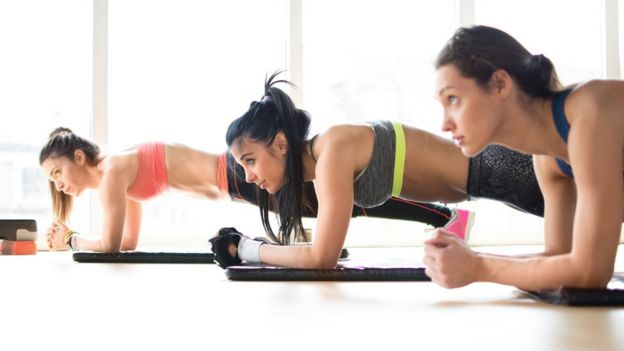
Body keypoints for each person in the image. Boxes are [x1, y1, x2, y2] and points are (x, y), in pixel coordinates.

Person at [209, 72, 544, 269]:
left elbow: (323, 257)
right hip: (498, 183)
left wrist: (248, 249)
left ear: (281, 144)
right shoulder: (327, 160)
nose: (249, 176)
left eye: (250, 160)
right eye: (242, 167)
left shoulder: (333, 151)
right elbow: (325, 251)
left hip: (505, 168)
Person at [40, 127, 540, 252]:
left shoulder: (112, 173)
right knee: (339, 201)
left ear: (78, 157)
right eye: (53, 181)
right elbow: (126, 244)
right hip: (238, 184)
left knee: (339, 199)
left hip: (236, 176)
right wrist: (84, 241)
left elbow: (106, 247)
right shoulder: (117, 181)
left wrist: (69, 242)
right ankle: (443, 217)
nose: (60, 183)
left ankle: (443, 216)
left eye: (58, 171)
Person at [426, 25, 624, 291]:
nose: (445, 124)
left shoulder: (590, 111)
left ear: (500, 84)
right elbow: (559, 258)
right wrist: (468, 259)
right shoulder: (547, 159)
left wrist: (478, 266)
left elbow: (591, 271)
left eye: (453, 99)